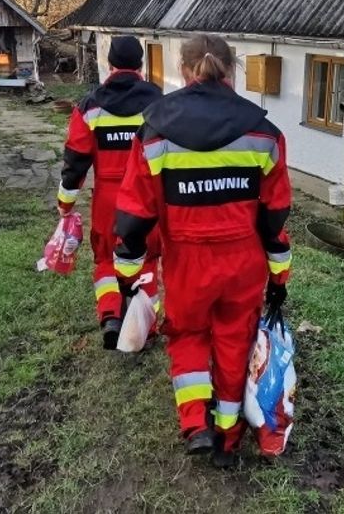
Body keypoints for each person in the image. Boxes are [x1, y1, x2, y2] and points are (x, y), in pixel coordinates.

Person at [113, 34, 292, 467]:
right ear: (230, 70)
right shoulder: (264, 133)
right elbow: (275, 216)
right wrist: (279, 276)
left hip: (186, 264)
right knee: (234, 342)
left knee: (188, 336)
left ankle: (196, 425)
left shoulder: (155, 130)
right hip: (243, 263)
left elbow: (136, 214)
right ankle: (229, 441)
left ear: (185, 69)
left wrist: (127, 270)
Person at [58, 35, 163, 349]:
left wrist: (65, 203)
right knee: (145, 260)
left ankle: (110, 317)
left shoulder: (90, 105)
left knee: (106, 259)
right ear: (141, 65)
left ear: (111, 64)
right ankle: (144, 328)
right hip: (147, 201)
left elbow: (75, 160)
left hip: (108, 200)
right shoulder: (159, 103)